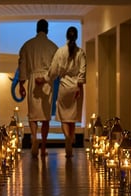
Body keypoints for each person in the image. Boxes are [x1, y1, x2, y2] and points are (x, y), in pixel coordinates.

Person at [36, 26, 86, 158]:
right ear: (76, 37)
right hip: (76, 87)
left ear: (66, 36)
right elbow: (82, 71)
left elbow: (53, 71)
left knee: (64, 117)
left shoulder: (60, 51)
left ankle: (67, 137)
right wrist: (79, 87)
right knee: (73, 118)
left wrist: (44, 79)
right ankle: (71, 138)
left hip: (64, 87)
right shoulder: (80, 52)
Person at [18, 19, 58, 158]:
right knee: (46, 117)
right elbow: (55, 69)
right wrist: (47, 78)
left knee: (33, 116)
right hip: (46, 81)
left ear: (37, 29)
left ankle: (34, 137)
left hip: (33, 80)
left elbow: (22, 65)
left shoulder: (27, 45)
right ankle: (43, 147)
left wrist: (21, 84)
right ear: (47, 29)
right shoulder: (53, 47)